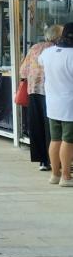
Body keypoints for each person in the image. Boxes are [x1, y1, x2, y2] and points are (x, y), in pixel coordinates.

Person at [20, 25, 63, 171]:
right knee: (51, 128)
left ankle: (43, 161)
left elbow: (23, 71)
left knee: (37, 125)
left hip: (33, 91)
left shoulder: (35, 47)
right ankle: (55, 160)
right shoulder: (58, 50)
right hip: (52, 92)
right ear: (58, 36)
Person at [40, 22, 73, 187]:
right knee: (68, 140)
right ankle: (66, 176)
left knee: (55, 139)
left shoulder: (47, 53)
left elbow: (41, 62)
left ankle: (55, 174)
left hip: (53, 103)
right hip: (70, 105)